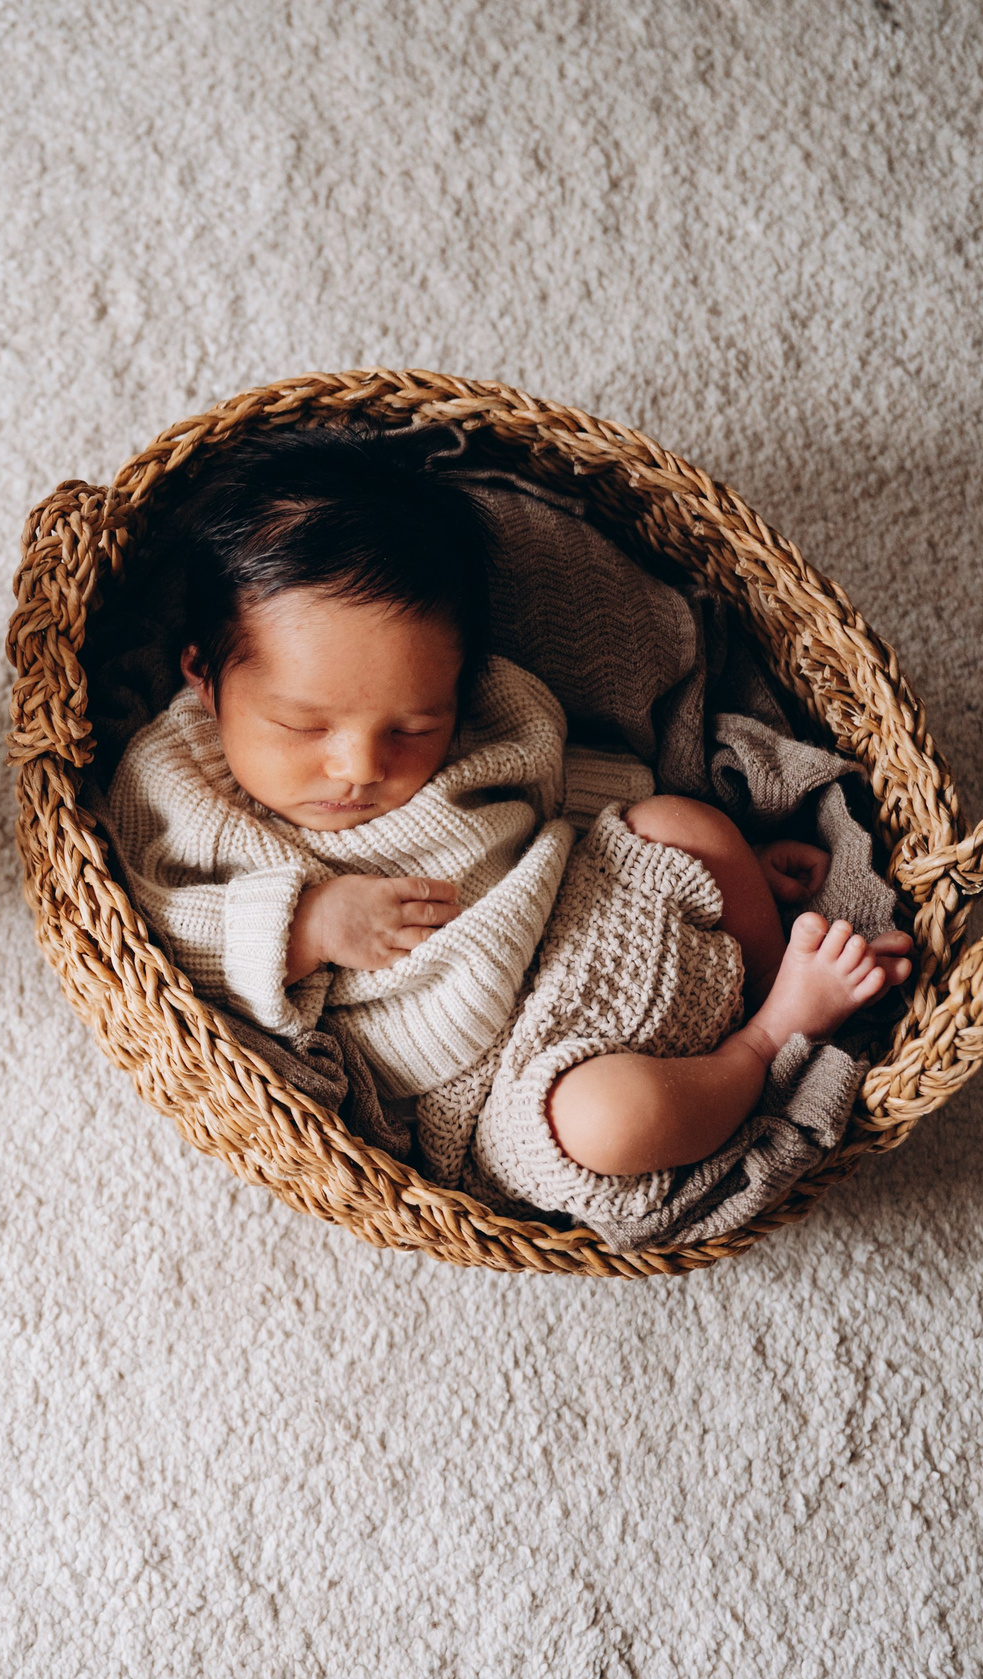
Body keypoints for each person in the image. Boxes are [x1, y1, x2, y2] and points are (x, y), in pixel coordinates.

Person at [105, 427, 912, 1233]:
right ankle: (776, 1037)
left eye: (414, 726)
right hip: (486, 1085)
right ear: (204, 678)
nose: (359, 765)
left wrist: (728, 859)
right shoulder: (178, 783)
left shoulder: (495, 707)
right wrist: (305, 925)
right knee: (605, 1119)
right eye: (304, 728)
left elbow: (562, 788)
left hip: (580, 917)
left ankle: (776, 968)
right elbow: (157, 929)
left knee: (679, 820)